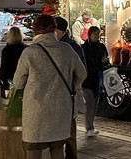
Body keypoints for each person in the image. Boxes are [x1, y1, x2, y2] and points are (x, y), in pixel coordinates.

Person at [13, 14, 86, 159]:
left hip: (36, 112)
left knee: (34, 151)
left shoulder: (30, 52)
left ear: (36, 30)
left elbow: (18, 82)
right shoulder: (66, 50)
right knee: (58, 149)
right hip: (61, 110)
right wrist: (70, 84)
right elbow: (82, 73)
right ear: (53, 29)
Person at [55, 16, 86, 159]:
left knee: (69, 131)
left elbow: (81, 71)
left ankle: (71, 155)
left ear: (61, 31)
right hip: (56, 96)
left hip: (67, 95)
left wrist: (71, 86)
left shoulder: (72, 47)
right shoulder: (53, 46)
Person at [82, 25, 109, 137]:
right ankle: (89, 127)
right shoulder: (84, 48)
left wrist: (105, 61)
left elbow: (106, 60)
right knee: (90, 104)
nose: (97, 36)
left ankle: (91, 126)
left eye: (98, 34)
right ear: (90, 34)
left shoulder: (101, 46)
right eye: (95, 33)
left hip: (98, 79)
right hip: (87, 79)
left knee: (95, 103)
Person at [0, 26, 27, 93]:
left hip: (10, 78)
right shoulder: (26, 49)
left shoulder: (7, 50)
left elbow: (4, 67)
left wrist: (2, 80)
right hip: (24, 78)